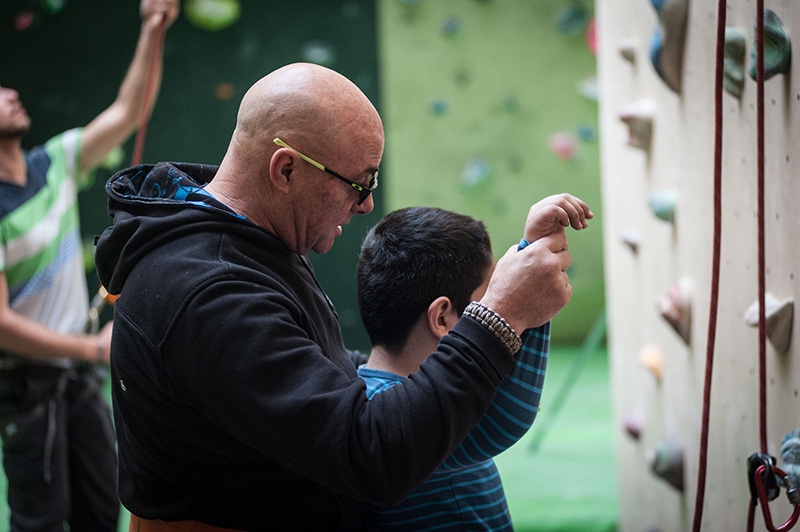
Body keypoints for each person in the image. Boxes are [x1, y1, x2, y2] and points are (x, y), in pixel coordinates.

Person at [94, 61, 590, 531]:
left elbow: (303, 374)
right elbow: (371, 457)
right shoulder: (208, 289)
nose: (368, 203)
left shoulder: (248, 245)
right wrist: (499, 314)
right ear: (285, 170)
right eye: (360, 182)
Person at [0, 1, 179, 530]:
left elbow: (129, 112)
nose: (11, 93)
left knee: (104, 512)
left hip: (78, 373)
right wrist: (88, 348)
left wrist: (152, 29)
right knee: (44, 521)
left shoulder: (51, 163)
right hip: (26, 386)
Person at [357, 196, 591, 531]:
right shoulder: (406, 422)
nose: (497, 305)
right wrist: (526, 302)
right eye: (488, 302)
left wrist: (532, 254)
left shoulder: (362, 395)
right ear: (443, 318)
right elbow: (506, 418)